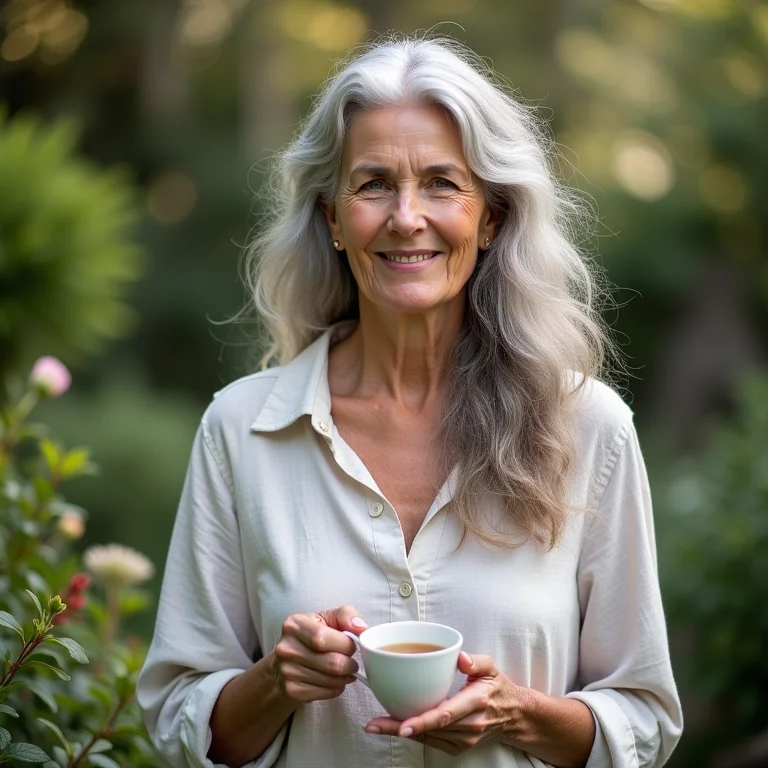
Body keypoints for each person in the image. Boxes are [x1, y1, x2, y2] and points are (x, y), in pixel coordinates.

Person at [136, 36, 683, 768]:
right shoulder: (241, 431)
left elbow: (643, 716)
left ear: (490, 218)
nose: (405, 216)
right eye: (372, 185)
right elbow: (178, 718)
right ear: (332, 218)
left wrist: (514, 714)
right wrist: (277, 680)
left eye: (441, 184)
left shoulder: (589, 428)